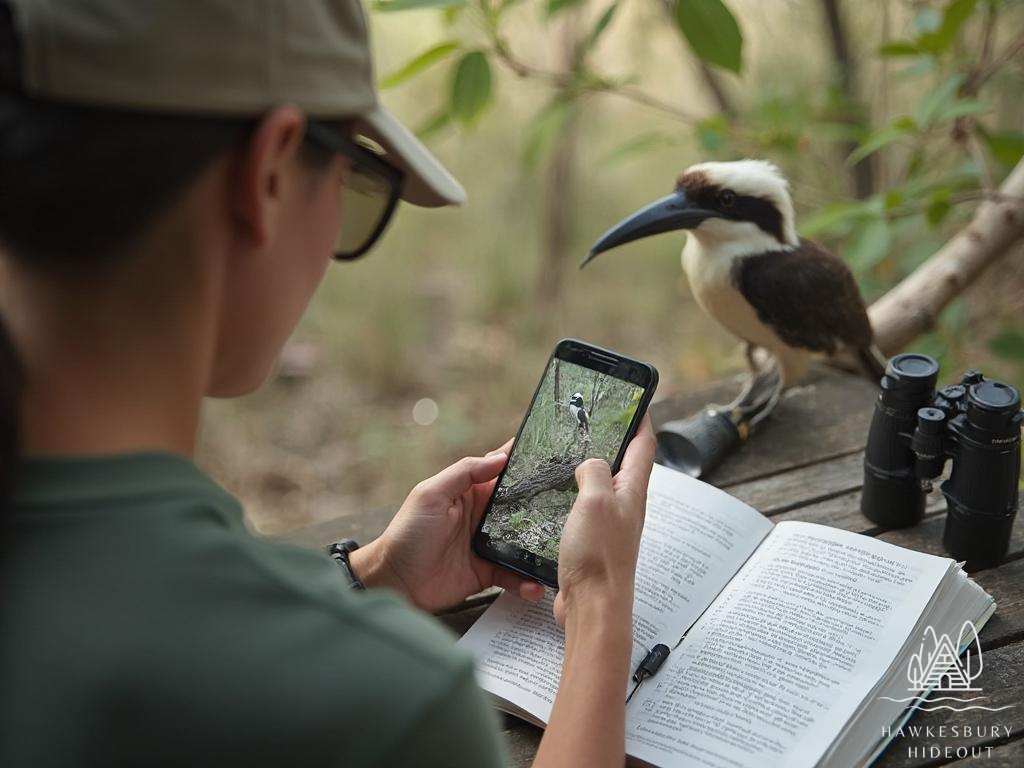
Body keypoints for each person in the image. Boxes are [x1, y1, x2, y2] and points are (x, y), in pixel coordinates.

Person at [0, 1, 656, 767]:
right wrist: (602, 608)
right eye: (356, 181)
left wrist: (370, 576)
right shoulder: (381, 707)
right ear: (269, 174)